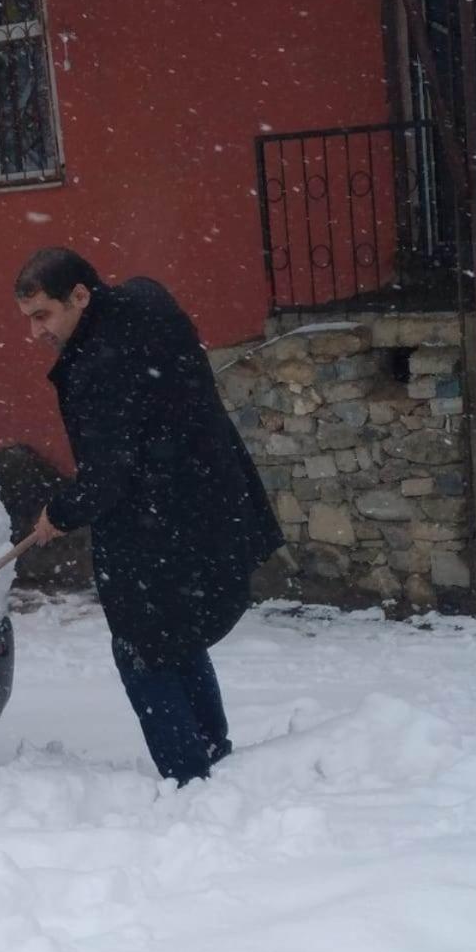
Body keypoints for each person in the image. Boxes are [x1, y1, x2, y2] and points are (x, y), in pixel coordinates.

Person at [15, 247, 283, 785]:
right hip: (207, 499)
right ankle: (213, 753)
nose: (36, 333)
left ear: (81, 297)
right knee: (174, 633)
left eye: (43, 315)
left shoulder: (98, 365)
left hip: (155, 519)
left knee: (142, 646)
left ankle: (189, 775)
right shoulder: (145, 304)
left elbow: (108, 473)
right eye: (28, 320)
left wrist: (60, 513)